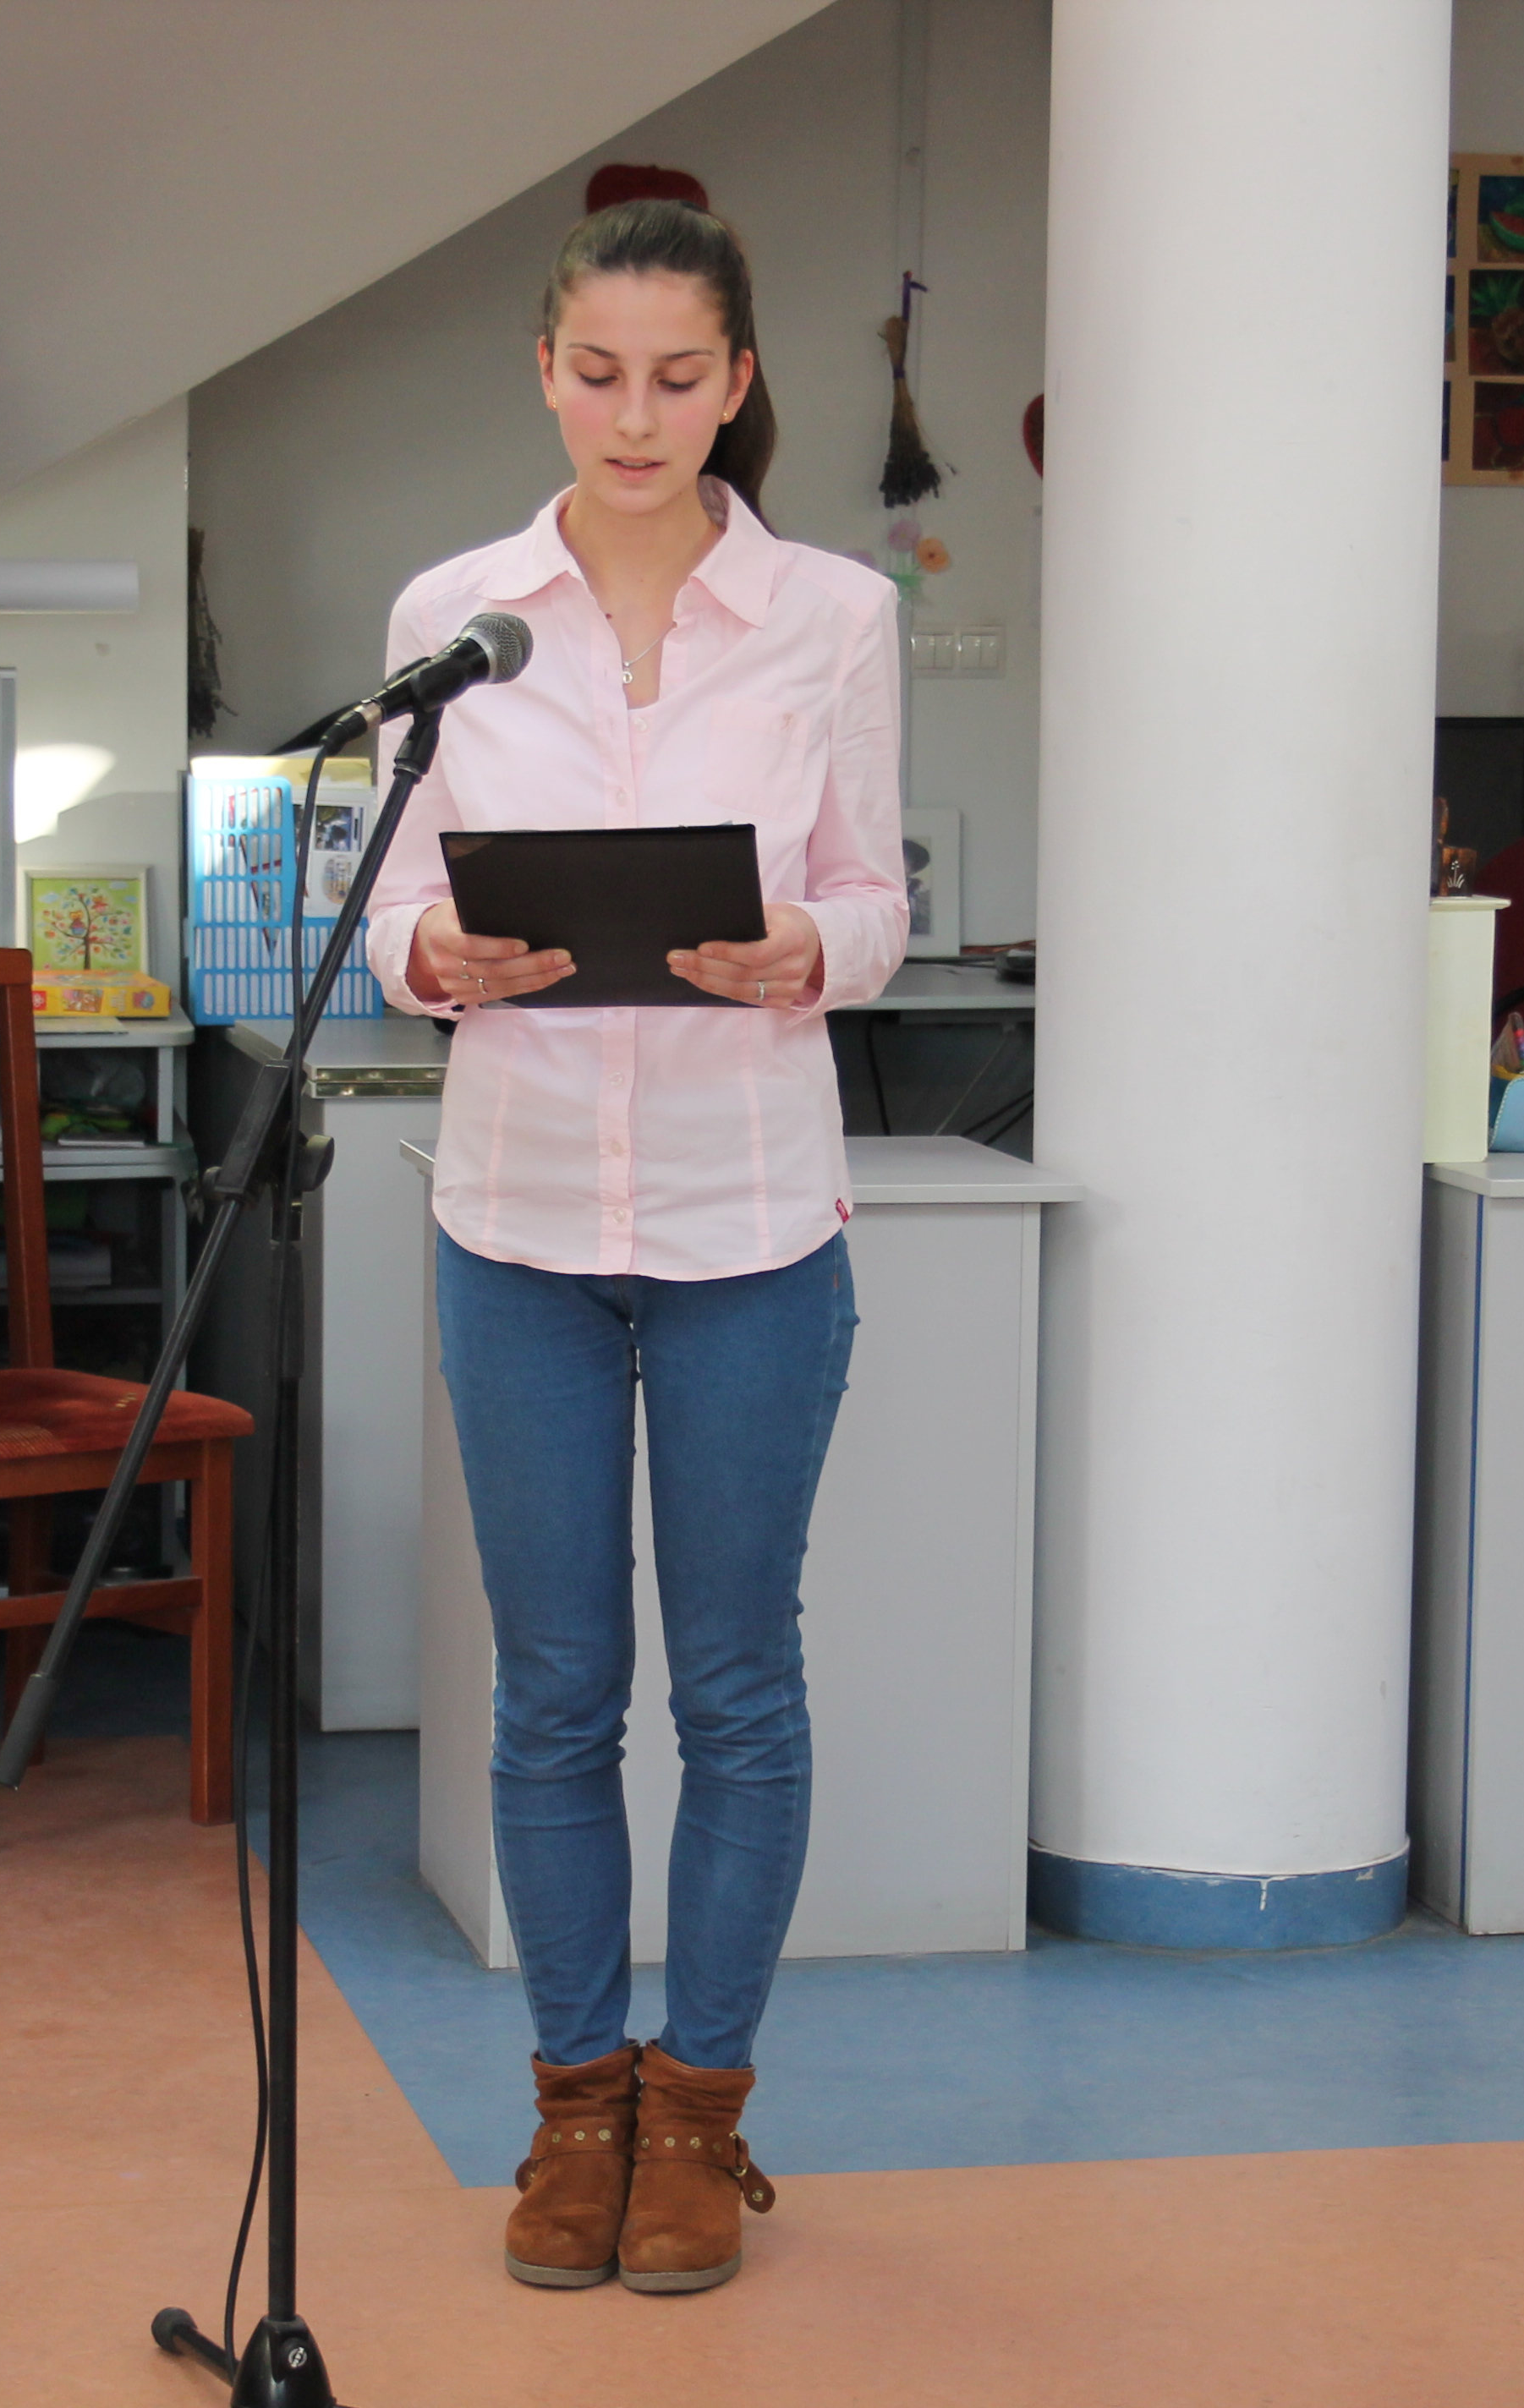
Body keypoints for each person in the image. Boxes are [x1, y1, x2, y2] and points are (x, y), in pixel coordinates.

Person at [360, 196, 906, 2296]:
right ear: (545, 370)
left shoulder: (831, 614)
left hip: (748, 1217)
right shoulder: (456, 618)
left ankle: (700, 2116)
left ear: (737, 380)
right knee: (555, 1689)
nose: (636, 414)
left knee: (739, 1684)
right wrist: (436, 951)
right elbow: (393, 900)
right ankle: (573, 2105)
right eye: (597, 372)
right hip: (515, 1218)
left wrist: (807, 948)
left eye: (679, 376)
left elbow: (875, 893)